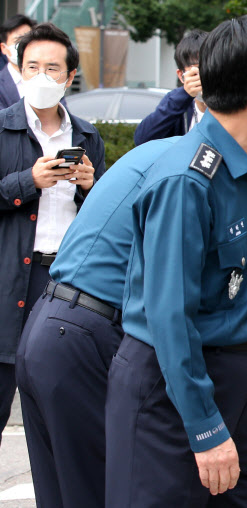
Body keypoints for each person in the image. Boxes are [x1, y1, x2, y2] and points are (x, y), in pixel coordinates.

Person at [16, 123, 247, 507]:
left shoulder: (182, 154)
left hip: (56, 328)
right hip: (92, 337)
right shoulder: (198, 176)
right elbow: (224, 285)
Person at [103, 15, 247, 506]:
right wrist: (205, 429)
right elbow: (170, 317)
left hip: (236, 383)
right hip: (173, 395)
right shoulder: (186, 182)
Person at [0, 22, 104, 445]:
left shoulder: (86, 135)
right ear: (19, 70)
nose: (42, 77)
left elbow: (100, 218)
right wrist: (29, 181)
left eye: (53, 69)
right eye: (33, 67)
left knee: (59, 409)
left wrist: (89, 188)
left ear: (70, 77)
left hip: (63, 280)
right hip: (8, 279)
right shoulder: (2, 128)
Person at [134, 29, 208, 146]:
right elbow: (142, 139)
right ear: (181, 75)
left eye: (209, 66)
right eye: (198, 68)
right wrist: (185, 95)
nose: (205, 75)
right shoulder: (177, 102)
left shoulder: (233, 100)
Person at [0, 14, 36, 109]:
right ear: (4, 48)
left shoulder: (48, 79)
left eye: (28, 39)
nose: (23, 44)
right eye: (17, 40)